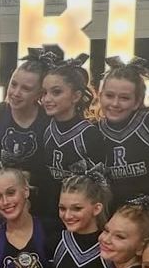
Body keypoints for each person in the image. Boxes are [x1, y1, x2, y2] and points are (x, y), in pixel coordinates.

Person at [0, 47, 56, 221]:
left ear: (39, 94)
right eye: (13, 84)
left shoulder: (47, 120)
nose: (16, 93)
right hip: (2, 204)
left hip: (40, 206)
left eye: (25, 88)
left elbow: (52, 169)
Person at [98, 55, 149, 210]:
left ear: (137, 102)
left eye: (124, 98)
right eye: (109, 96)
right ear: (100, 96)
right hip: (116, 220)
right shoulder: (95, 131)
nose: (115, 104)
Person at [40, 55, 104, 190]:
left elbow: (99, 186)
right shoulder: (46, 129)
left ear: (76, 96)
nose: (47, 99)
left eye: (56, 92)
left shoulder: (90, 134)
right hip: (49, 205)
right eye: (44, 93)